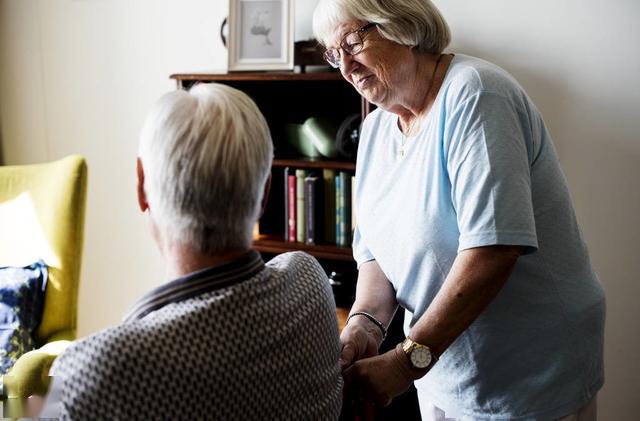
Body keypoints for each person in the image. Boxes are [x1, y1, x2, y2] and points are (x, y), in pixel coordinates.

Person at [313, 0, 606, 420]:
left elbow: (492, 251)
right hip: (440, 365)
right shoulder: (377, 128)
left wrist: (403, 361)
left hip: (528, 371)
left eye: (353, 41)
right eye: (332, 53)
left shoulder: (477, 93)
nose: (345, 67)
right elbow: (376, 252)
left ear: (403, 27)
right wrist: (364, 325)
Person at [37, 83, 343, 419]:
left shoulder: (95, 371)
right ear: (265, 193)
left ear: (142, 186)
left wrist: (15, 398)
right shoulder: (310, 282)